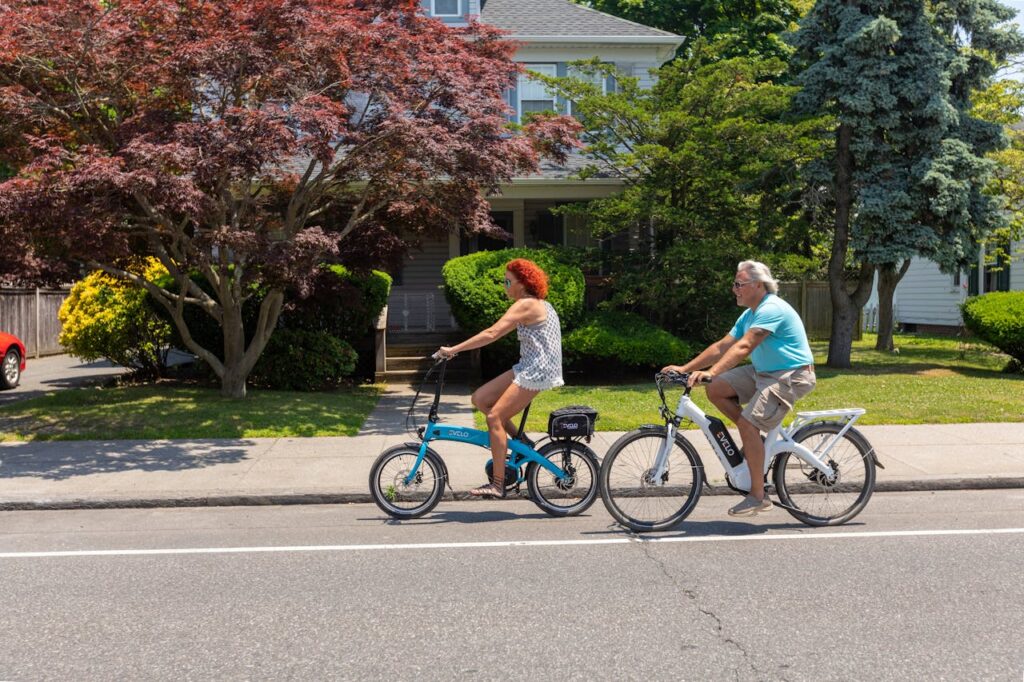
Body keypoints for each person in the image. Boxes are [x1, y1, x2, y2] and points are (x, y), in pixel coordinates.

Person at [663, 260, 815, 517]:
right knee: (716, 389)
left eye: (739, 284)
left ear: (757, 284)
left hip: (791, 375)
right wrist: (685, 369)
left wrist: (711, 372)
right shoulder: (751, 313)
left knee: (746, 423)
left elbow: (745, 347)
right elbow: (724, 345)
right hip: (764, 373)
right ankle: (755, 438)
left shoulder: (771, 309)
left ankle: (758, 496)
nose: (735, 289)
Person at [437, 258, 564, 498]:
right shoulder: (535, 303)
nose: (504, 286)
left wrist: (453, 350)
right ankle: (521, 442)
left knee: (495, 417)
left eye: (508, 281)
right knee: (481, 399)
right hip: (529, 365)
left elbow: (492, 333)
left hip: (537, 369)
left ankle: (497, 484)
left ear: (522, 283)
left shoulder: (526, 304)